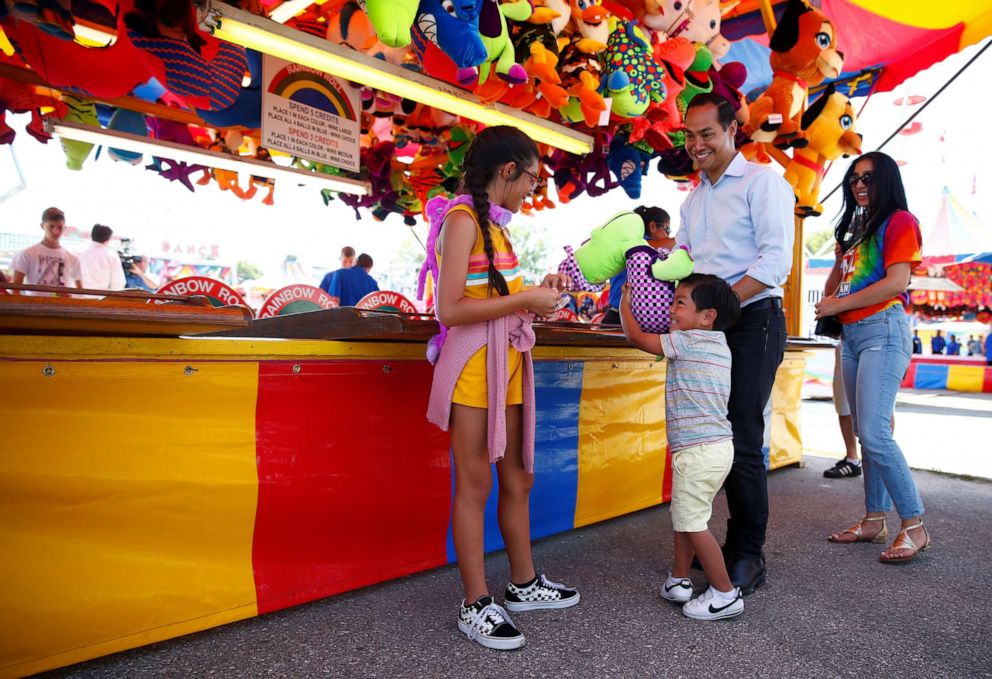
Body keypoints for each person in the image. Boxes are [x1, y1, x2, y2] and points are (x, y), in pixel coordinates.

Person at [425, 126, 577, 650]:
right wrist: (523, 301)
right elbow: (451, 310)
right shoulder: (462, 221)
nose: (535, 188)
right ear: (507, 170)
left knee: (517, 478)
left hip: (505, 366)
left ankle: (524, 582)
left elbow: (496, 296)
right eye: (532, 176)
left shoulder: (498, 226)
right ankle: (474, 602)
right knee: (475, 486)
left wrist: (538, 293)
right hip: (473, 369)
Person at [675, 92, 794, 595]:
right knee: (710, 439)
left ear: (732, 132)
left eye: (706, 133)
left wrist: (717, 313)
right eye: (689, 134)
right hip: (712, 326)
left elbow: (773, 265)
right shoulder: (693, 198)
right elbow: (682, 264)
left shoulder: (764, 183)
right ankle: (724, 543)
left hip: (753, 321)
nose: (696, 144)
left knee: (741, 437)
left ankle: (748, 553)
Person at [816, 151, 932, 563]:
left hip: (883, 328)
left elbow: (896, 282)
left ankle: (914, 525)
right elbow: (837, 285)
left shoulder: (900, 221)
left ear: (887, 181)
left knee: (875, 432)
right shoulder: (857, 229)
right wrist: (836, 264)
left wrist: (833, 306)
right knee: (867, 432)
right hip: (852, 335)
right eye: (853, 179)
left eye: (868, 177)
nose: (859, 185)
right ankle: (873, 520)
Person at [620, 273, 744, 620]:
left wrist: (625, 303)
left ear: (707, 317)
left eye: (679, 302)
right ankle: (679, 578)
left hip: (698, 450)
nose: (671, 308)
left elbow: (635, 337)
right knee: (686, 514)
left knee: (692, 521)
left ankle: (724, 592)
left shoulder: (687, 341)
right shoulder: (718, 344)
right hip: (714, 448)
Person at [602, 206, 673, 325]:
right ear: (653, 226)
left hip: (615, 315)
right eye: (667, 229)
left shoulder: (624, 242)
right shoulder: (636, 245)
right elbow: (672, 243)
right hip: (625, 319)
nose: (668, 235)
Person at [11, 207, 82, 296]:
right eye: (51, 226)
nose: (55, 231)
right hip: (33, 307)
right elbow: (15, 289)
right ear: (42, 226)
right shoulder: (26, 254)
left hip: (62, 307)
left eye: (60, 227)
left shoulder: (73, 259)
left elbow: (80, 292)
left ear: (65, 228)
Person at [822, 341, 862, 479]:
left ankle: (877, 462)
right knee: (843, 402)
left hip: (879, 339)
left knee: (879, 406)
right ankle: (852, 460)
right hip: (847, 339)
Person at [77, 224, 126, 291]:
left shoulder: (77, 253)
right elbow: (118, 285)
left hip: (78, 297)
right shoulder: (112, 257)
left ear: (92, 236)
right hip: (102, 298)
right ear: (108, 239)